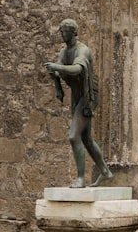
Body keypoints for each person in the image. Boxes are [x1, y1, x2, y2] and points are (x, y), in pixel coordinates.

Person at [44, 19, 113, 188]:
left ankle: (81, 179)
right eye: (61, 31)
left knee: (73, 136)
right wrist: (56, 80)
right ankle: (105, 172)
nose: (63, 34)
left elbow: (77, 69)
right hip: (76, 95)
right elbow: (57, 70)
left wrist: (57, 68)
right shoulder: (64, 52)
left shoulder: (83, 51)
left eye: (66, 31)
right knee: (87, 139)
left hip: (88, 95)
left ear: (74, 32)